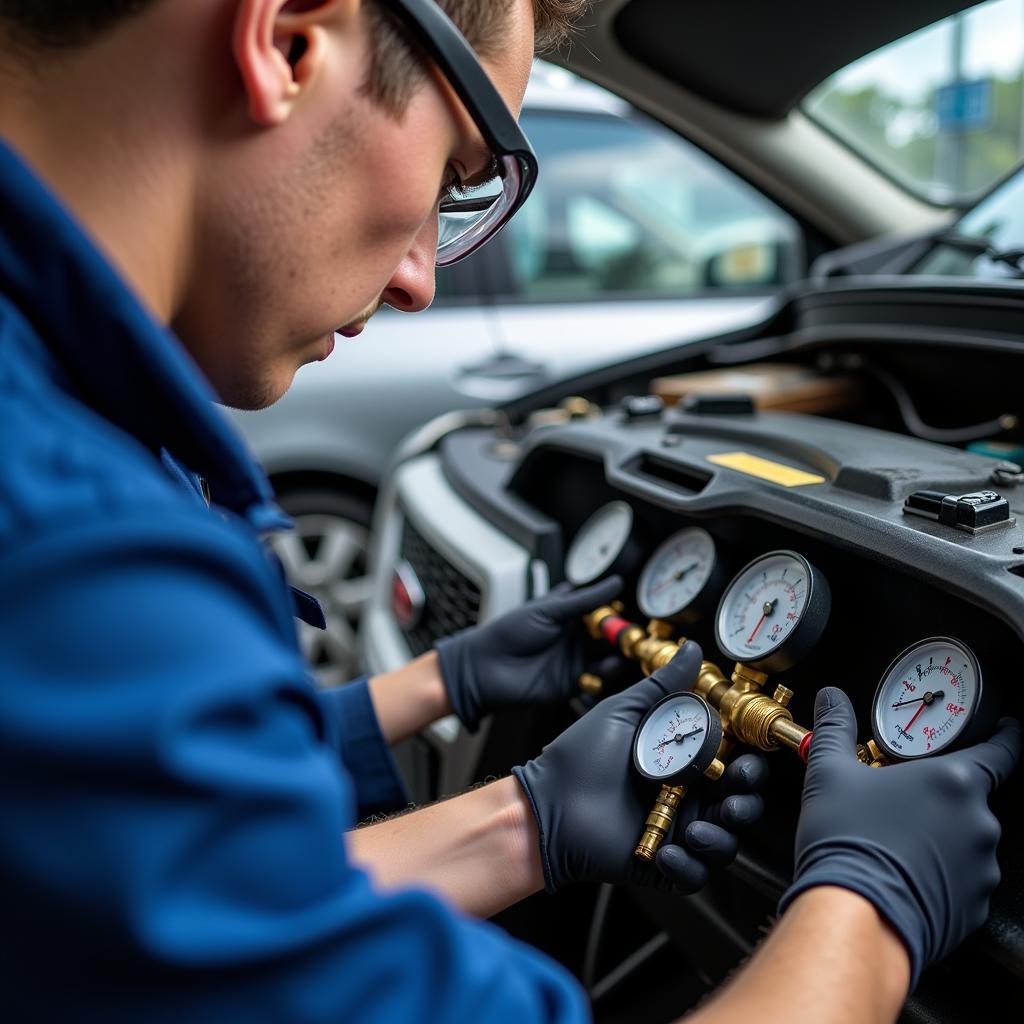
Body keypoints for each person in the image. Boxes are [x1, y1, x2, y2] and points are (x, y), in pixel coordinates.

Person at [0, 2, 1017, 1022]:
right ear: (288, 41)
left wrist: (517, 814)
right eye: (456, 177)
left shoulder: (62, 428)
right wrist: (870, 907)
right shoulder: (79, 551)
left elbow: (189, 891)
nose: (418, 281)